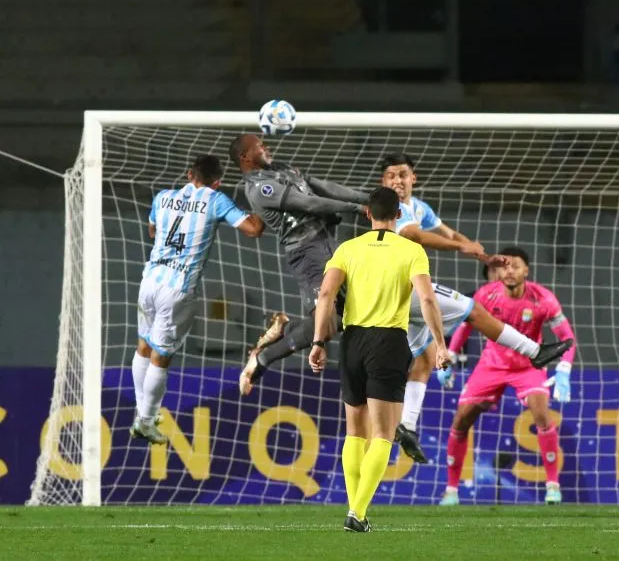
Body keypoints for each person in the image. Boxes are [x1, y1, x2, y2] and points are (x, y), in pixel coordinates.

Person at [380, 153, 574, 462]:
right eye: (391, 176)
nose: (397, 181)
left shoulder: (420, 208)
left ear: (413, 178)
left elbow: (450, 233)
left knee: (424, 359)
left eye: (402, 175)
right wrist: (461, 247)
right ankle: (535, 351)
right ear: (383, 182)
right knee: (473, 308)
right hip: (400, 287)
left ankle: (408, 425)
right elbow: (416, 235)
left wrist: (484, 258)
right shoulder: (392, 210)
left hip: (405, 292)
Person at [308, 187, 451, 533]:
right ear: (398, 215)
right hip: (388, 341)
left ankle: (355, 509)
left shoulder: (348, 248)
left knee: (355, 431)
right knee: (384, 433)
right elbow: (428, 300)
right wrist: (441, 345)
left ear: (368, 214)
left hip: (352, 340)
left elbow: (326, 293)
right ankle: (357, 512)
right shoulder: (411, 250)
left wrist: (318, 341)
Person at [132, 155, 264, 443]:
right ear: (217, 181)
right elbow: (254, 230)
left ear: (188, 173)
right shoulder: (216, 200)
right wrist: (262, 203)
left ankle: (142, 413)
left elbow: (153, 231)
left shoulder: (163, 197)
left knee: (143, 345)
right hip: (178, 288)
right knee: (161, 355)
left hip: (150, 280)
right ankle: (145, 419)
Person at [228, 133, 367, 395]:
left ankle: (285, 330)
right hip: (307, 252)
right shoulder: (258, 188)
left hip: (330, 243)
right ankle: (263, 359)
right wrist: (357, 209)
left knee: (343, 316)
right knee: (325, 325)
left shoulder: (282, 167)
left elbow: (322, 186)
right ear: (245, 157)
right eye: (259, 146)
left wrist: (367, 198)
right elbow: (309, 203)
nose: (266, 147)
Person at [437, 247, 576, 505]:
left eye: (515, 266)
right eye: (504, 266)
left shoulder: (543, 299)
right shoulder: (486, 295)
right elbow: (466, 326)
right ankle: (451, 490)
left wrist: (564, 369)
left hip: (528, 367)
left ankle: (553, 486)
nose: (509, 271)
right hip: (492, 364)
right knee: (461, 420)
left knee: (542, 415)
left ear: (527, 270)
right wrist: (450, 355)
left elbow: (567, 338)